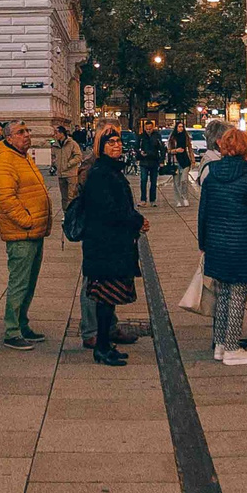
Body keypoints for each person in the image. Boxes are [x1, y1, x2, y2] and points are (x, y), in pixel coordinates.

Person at [197, 126, 247, 366]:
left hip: (216, 242)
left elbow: (203, 211)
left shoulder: (212, 172)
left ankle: (220, 344)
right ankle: (232, 347)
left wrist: (203, 242)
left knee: (223, 293)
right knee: (238, 294)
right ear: (246, 148)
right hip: (242, 243)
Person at [75, 124, 145, 367]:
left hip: (114, 244)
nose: (116, 145)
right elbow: (111, 210)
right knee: (104, 299)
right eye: (110, 142)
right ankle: (102, 347)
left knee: (109, 299)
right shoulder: (100, 173)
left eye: (118, 141)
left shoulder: (111, 170)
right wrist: (138, 220)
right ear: (100, 147)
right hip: (105, 245)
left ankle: (106, 344)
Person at [0, 119, 52, 349]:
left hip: (34, 231)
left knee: (29, 282)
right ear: (9, 138)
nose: (27, 135)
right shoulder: (6, 160)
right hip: (22, 233)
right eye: (20, 132)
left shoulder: (23, 156)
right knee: (19, 283)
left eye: (27, 131)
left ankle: (22, 323)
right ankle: (12, 330)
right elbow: (6, 200)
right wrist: (27, 220)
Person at [135, 119, 165, 204]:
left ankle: (152, 199)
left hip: (154, 161)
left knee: (153, 181)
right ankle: (143, 199)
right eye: (147, 128)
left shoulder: (157, 136)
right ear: (144, 128)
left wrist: (161, 160)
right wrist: (140, 153)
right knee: (143, 180)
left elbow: (161, 148)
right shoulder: (141, 137)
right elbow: (136, 147)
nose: (148, 130)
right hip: (144, 161)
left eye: (150, 128)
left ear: (153, 128)